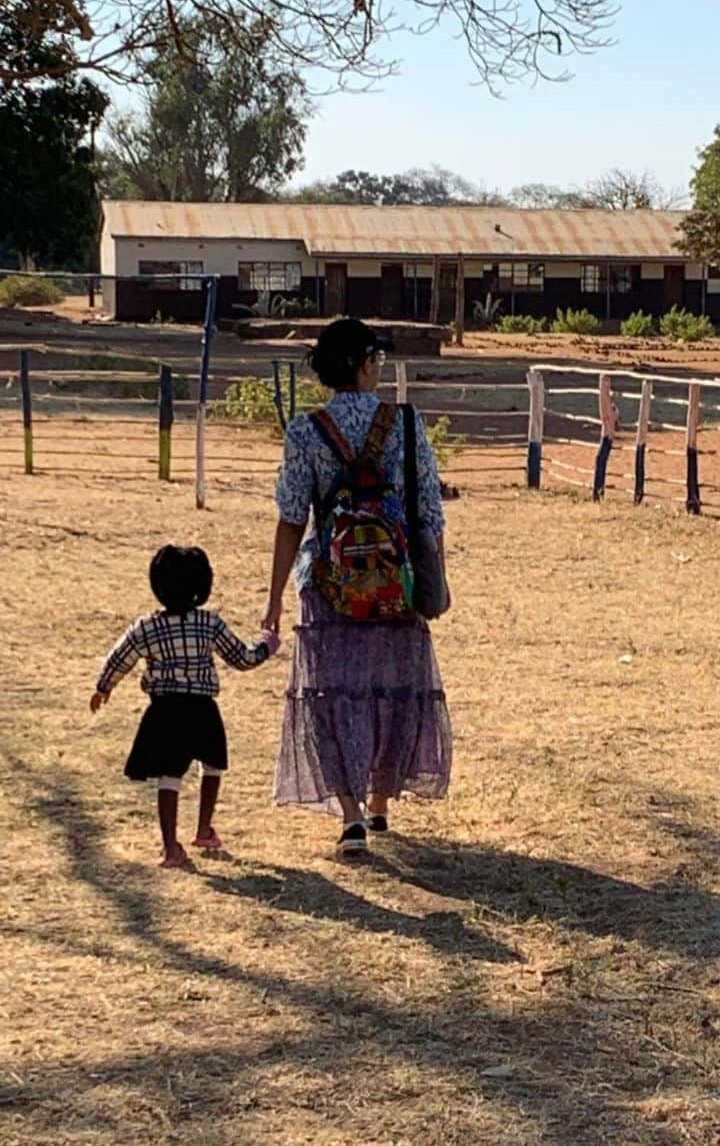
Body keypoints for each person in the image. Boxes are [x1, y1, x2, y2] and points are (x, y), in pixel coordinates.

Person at [263, 318, 452, 855]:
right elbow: (429, 512)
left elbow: (291, 519)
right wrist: (433, 578)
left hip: (329, 583)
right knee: (392, 690)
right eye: (378, 359)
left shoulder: (305, 431)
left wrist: (274, 595)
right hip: (395, 583)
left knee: (331, 693)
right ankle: (380, 802)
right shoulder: (406, 423)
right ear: (366, 363)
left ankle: (349, 817)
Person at [91, 545, 280, 868]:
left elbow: (119, 657)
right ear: (202, 586)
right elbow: (242, 658)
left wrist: (103, 687)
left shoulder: (146, 627)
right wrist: (266, 646)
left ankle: (170, 846)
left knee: (170, 774)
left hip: (164, 710)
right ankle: (204, 828)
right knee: (213, 763)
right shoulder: (209, 624)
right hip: (202, 708)